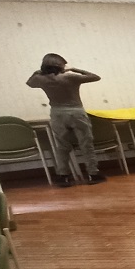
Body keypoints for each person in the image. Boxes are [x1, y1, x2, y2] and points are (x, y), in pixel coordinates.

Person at [26, 53, 105, 187]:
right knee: (86, 143)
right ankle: (93, 174)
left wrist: (37, 72)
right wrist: (75, 69)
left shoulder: (41, 79)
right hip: (76, 112)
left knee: (62, 146)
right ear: (61, 66)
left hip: (57, 114)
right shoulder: (71, 77)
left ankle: (64, 176)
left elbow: (29, 83)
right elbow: (96, 77)